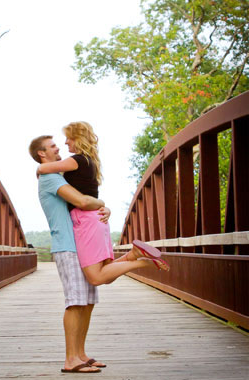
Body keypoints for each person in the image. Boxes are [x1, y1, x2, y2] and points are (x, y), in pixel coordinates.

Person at [29, 135, 162, 373]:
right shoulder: (49, 178)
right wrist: (102, 203)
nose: (58, 147)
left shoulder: (57, 175)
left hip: (79, 244)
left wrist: (103, 207)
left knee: (87, 302)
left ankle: (80, 354)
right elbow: (81, 201)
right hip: (67, 246)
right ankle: (71, 360)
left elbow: (84, 203)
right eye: (52, 146)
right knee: (75, 303)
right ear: (42, 154)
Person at [36, 122, 169, 286]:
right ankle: (133, 255)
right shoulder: (89, 161)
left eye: (68, 138)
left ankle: (141, 263)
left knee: (96, 277)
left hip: (85, 221)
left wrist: (39, 169)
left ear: (77, 138)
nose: (65, 143)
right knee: (105, 271)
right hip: (96, 219)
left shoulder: (75, 160)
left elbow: (43, 169)